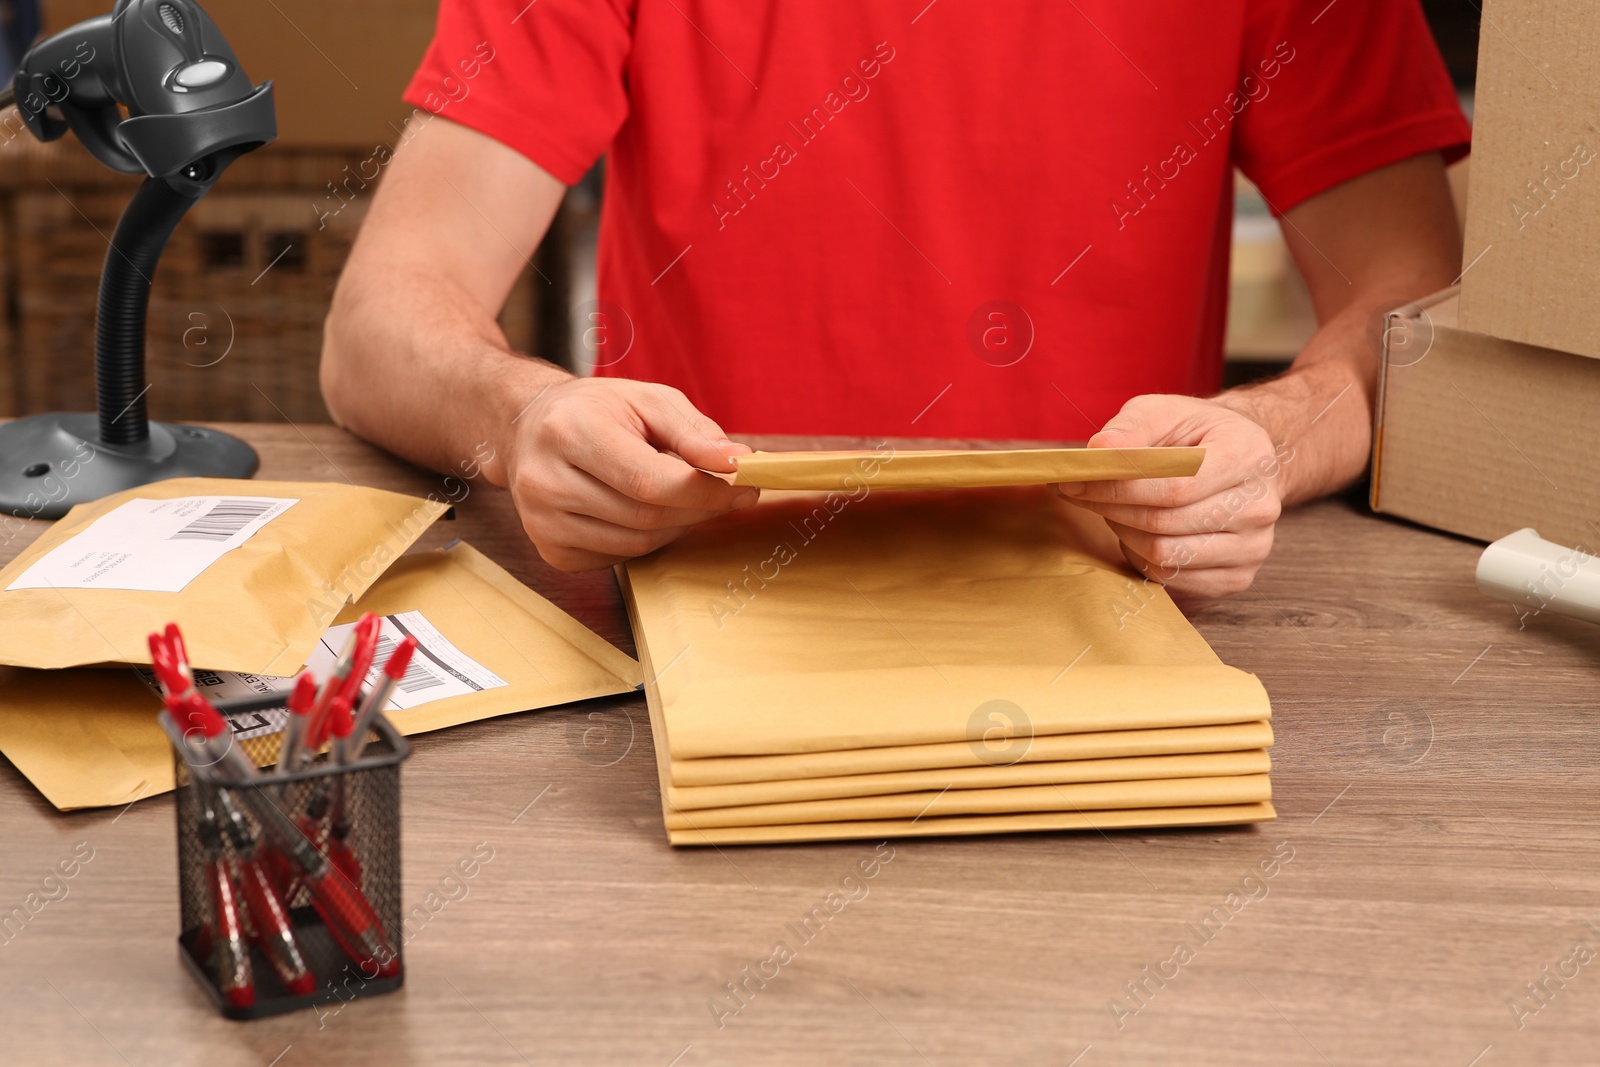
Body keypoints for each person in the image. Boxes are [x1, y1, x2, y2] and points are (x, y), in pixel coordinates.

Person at [321, 0, 1469, 596]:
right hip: (704, 622)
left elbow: (1422, 310)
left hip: (1119, 616)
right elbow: (379, 322)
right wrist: (524, 416)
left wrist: (1270, 437)